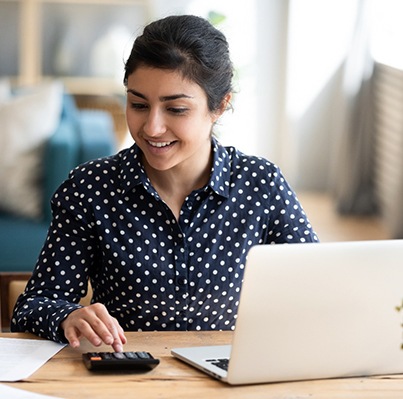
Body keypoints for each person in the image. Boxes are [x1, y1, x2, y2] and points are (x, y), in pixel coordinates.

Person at [11, 15, 318, 352]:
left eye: (176, 109)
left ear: (220, 106)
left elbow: (318, 287)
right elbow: (32, 307)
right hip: (126, 374)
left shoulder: (262, 185)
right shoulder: (90, 188)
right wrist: (68, 316)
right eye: (138, 104)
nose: (153, 127)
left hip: (230, 374)